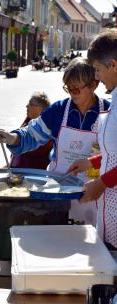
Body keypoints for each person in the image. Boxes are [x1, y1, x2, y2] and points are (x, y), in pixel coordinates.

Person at [0, 57, 110, 226]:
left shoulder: (108, 112)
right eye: (68, 89)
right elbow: (32, 135)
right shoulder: (58, 110)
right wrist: (13, 137)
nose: (72, 94)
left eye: (77, 89)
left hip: (94, 191)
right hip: (58, 188)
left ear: (93, 85)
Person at [68, 29, 117, 250]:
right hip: (109, 216)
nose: (96, 76)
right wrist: (92, 163)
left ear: (113, 65)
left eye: (97, 69)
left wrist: (101, 183)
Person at [11, 92, 52, 169]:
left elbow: (36, 148)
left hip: (35, 172)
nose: (27, 106)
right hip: (19, 169)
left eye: (31, 104)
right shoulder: (28, 120)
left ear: (41, 108)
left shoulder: (47, 126)